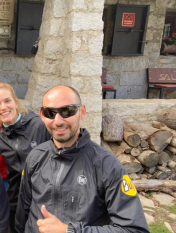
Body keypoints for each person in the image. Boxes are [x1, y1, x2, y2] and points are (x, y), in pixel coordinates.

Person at [15, 85, 149, 233]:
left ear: (82, 112)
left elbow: (135, 229)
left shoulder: (107, 165)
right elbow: (23, 214)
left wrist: (69, 231)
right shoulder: (35, 157)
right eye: (50, 112)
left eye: (67, 111)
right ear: (42, 114)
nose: (58, 121)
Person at [0, 82, 51, 233]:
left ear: (16, 103)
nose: (3, 107)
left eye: (7, 101)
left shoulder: (39, 125)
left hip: (43, 200)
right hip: (16, 203)